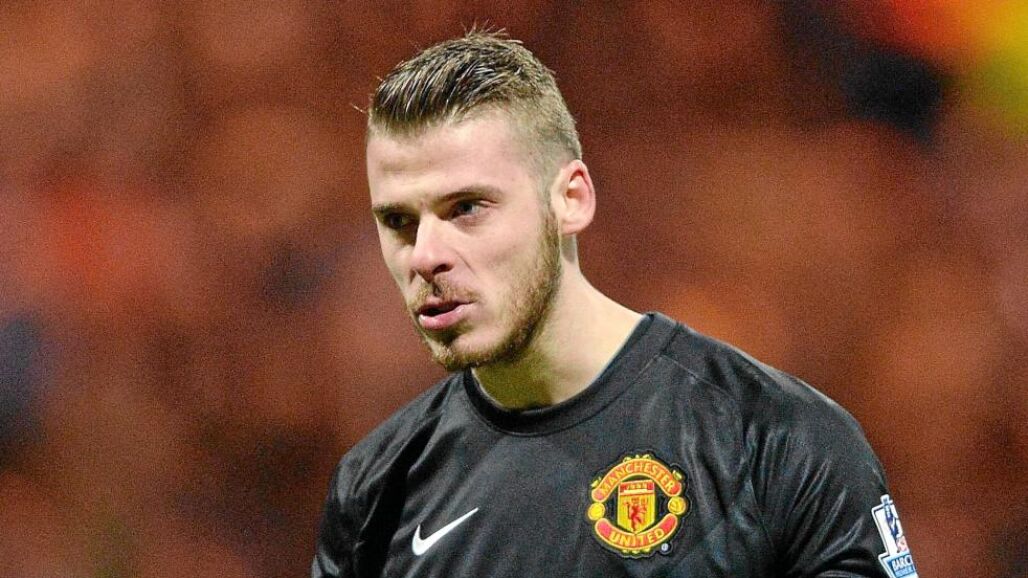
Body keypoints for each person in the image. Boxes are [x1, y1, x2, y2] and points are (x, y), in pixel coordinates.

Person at [312, 32, 919, 578]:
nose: (425, 255)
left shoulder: (774, 442)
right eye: (398, 221)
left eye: (466, 208)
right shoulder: (374, 491)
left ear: (570, 200)